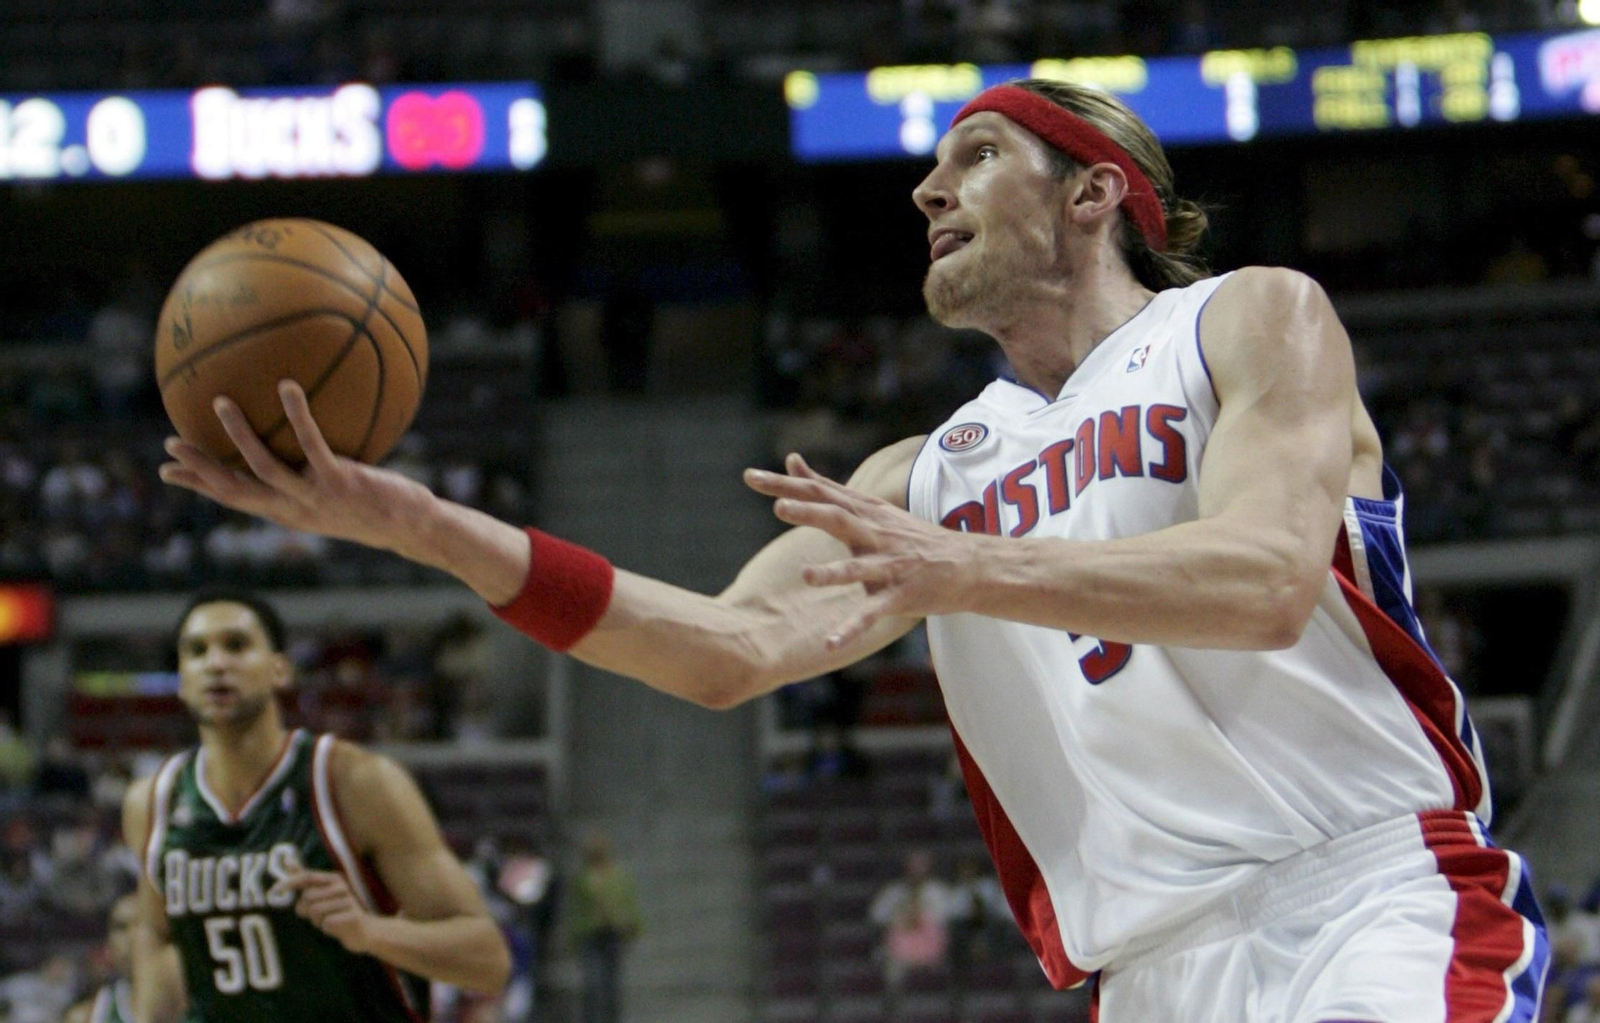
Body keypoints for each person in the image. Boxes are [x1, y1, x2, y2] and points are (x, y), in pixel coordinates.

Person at [157, 78, 1546, 1021]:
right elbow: (720, 652)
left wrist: (964, 571)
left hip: (1363, 892)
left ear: (1095, 191)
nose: (928, 189)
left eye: (975, 156)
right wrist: (415, 521)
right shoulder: (928, 473)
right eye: (931, 170)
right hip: (1146, 970)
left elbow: (1266, 581)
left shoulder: (1247, 318)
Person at [120, 588, 510, 1022]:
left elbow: (487, 960)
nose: (216, 663)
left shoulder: (355, 782)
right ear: (180, 678)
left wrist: (369, 931)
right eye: (197, 651)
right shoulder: (152, 801)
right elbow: (156, 934)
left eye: (236, 645)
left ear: (280, 669)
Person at [568, 831, 640, 1023]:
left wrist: (632, 925)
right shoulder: (582, 878)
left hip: (612, 931)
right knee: (592, 983)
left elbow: (628, 902)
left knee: (611, 982)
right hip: (589, 932)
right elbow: (575, 909)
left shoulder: (618, 876)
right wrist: (573, 937)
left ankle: (612, 1018)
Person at [868, 849, 952, 992]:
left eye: (921, 866)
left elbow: (946, 916)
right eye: (913, 866)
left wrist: (921, 914)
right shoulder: (894, 891)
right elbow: (876, 915)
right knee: (893, 970)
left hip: (930, 944)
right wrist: (900, 913)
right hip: (900, 944)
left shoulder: (938, 890)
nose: (916, 871)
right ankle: (894, 999)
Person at [63, 894, 140, 1023]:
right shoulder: (85, 1017)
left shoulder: (178, 1008)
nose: (132, 937)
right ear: (108, 943)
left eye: (141, 924)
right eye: (121, 927)